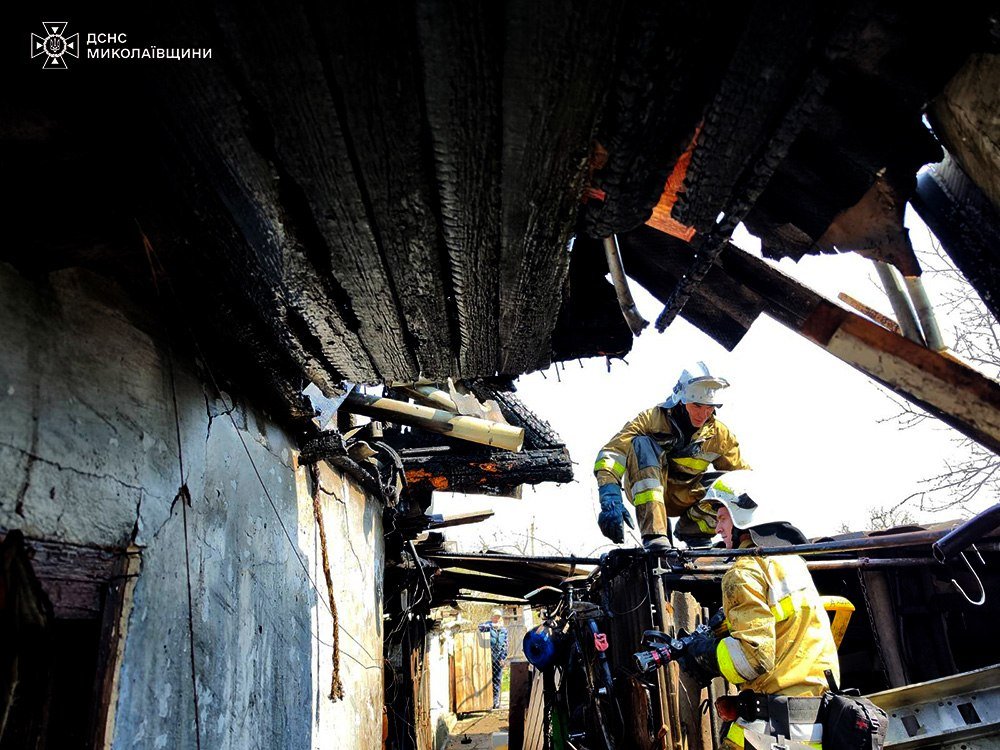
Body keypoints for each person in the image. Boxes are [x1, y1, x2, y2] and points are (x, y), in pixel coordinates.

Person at [679, 471, 840, 749]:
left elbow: (753, 659)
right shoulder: (791, 563)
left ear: (744, 514)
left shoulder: (743, 573)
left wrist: (704, 653)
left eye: (721, 517)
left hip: (768, 733)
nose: (717, 529)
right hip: (814, 727)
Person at [594, 362, 749, 550]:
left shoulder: (718, 434)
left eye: (709, 407)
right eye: (697, 406)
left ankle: (695, 532)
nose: (704, 414)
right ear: (681, 402)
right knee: (641, 443)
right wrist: (609, 496)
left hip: (687, 495)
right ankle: (655, 535)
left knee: (733, 483)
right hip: (649, 489)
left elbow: (743, 477)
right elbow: (612, 452)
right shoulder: (651, 419)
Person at [478, 609, 509, 709]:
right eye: (495, 616)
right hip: (487, 658)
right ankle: (487, 702)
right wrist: (491, 625)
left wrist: (503, 658)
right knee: (486, 680)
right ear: (492, 616)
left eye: (499, 617)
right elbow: (480, 628)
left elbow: (505, 645)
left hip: (498, 658)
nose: (497, 618)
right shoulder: (487, 627)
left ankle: (496, 703)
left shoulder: (503, 630)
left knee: (497, 680)